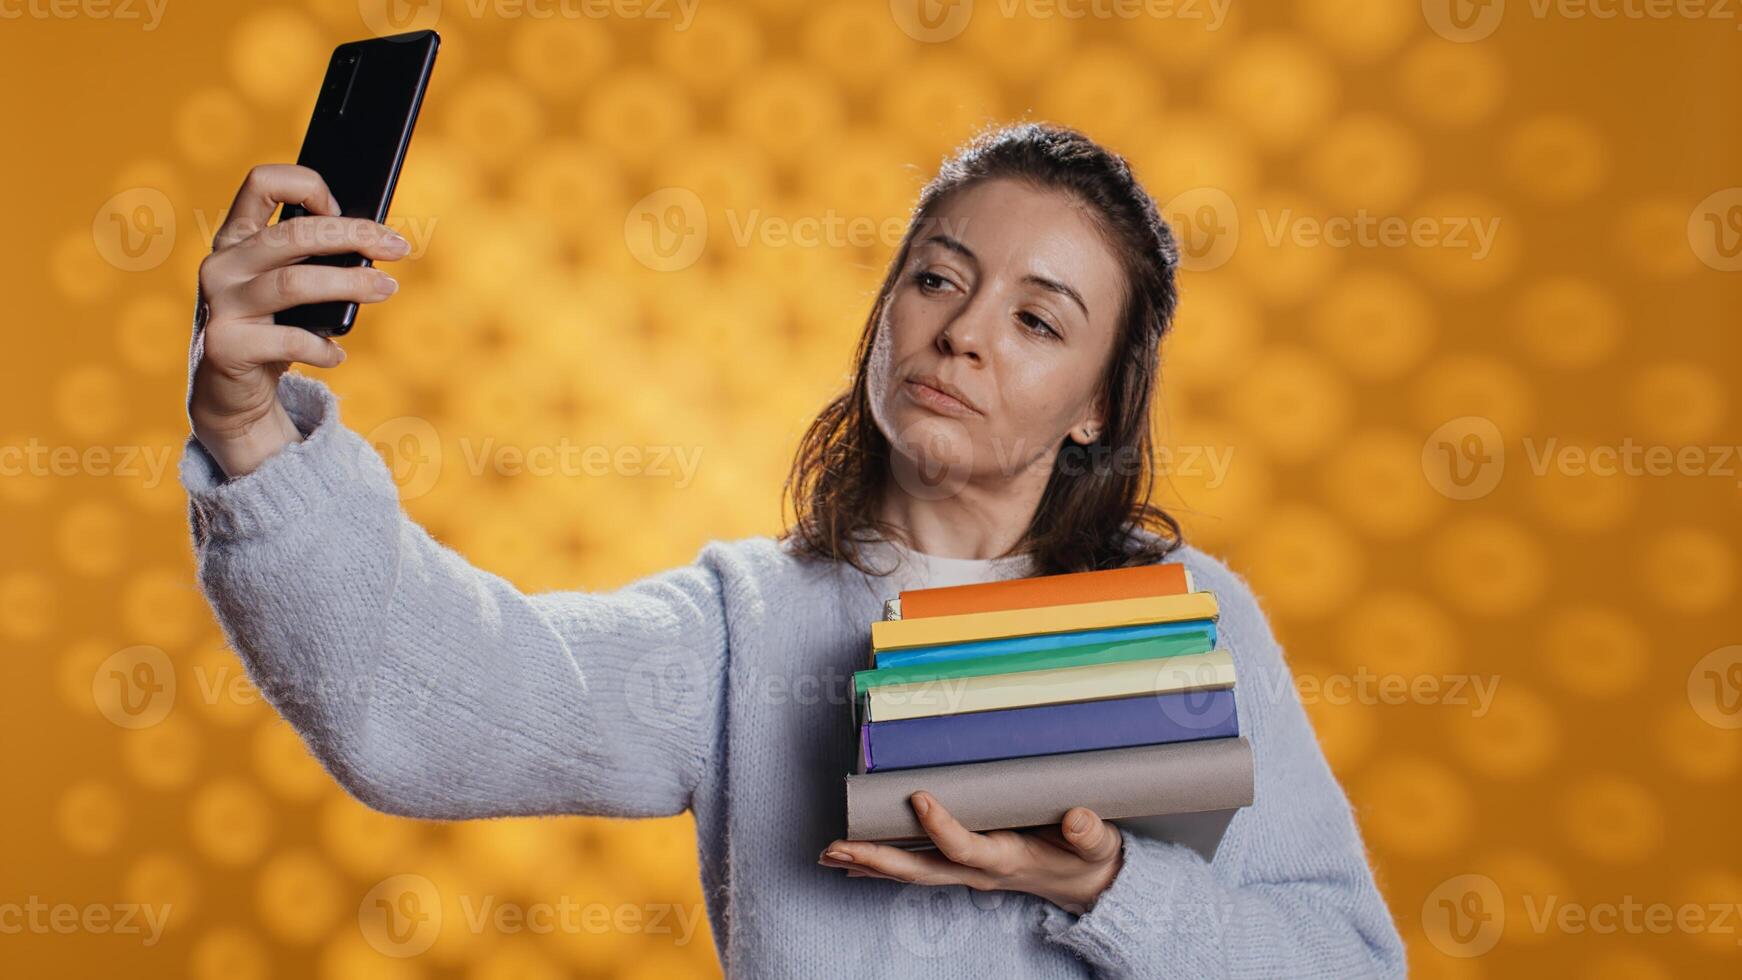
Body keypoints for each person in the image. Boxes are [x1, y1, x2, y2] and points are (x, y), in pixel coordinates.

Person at [181, 123, 1404, 978]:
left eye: (1036, 317)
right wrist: (246, 427)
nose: (964, 333)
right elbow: (421, 699)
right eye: (937, 278)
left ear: (1097, 402)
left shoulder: (1179, 620)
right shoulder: (744, 623)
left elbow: (1343, 966)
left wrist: (1101, 888)